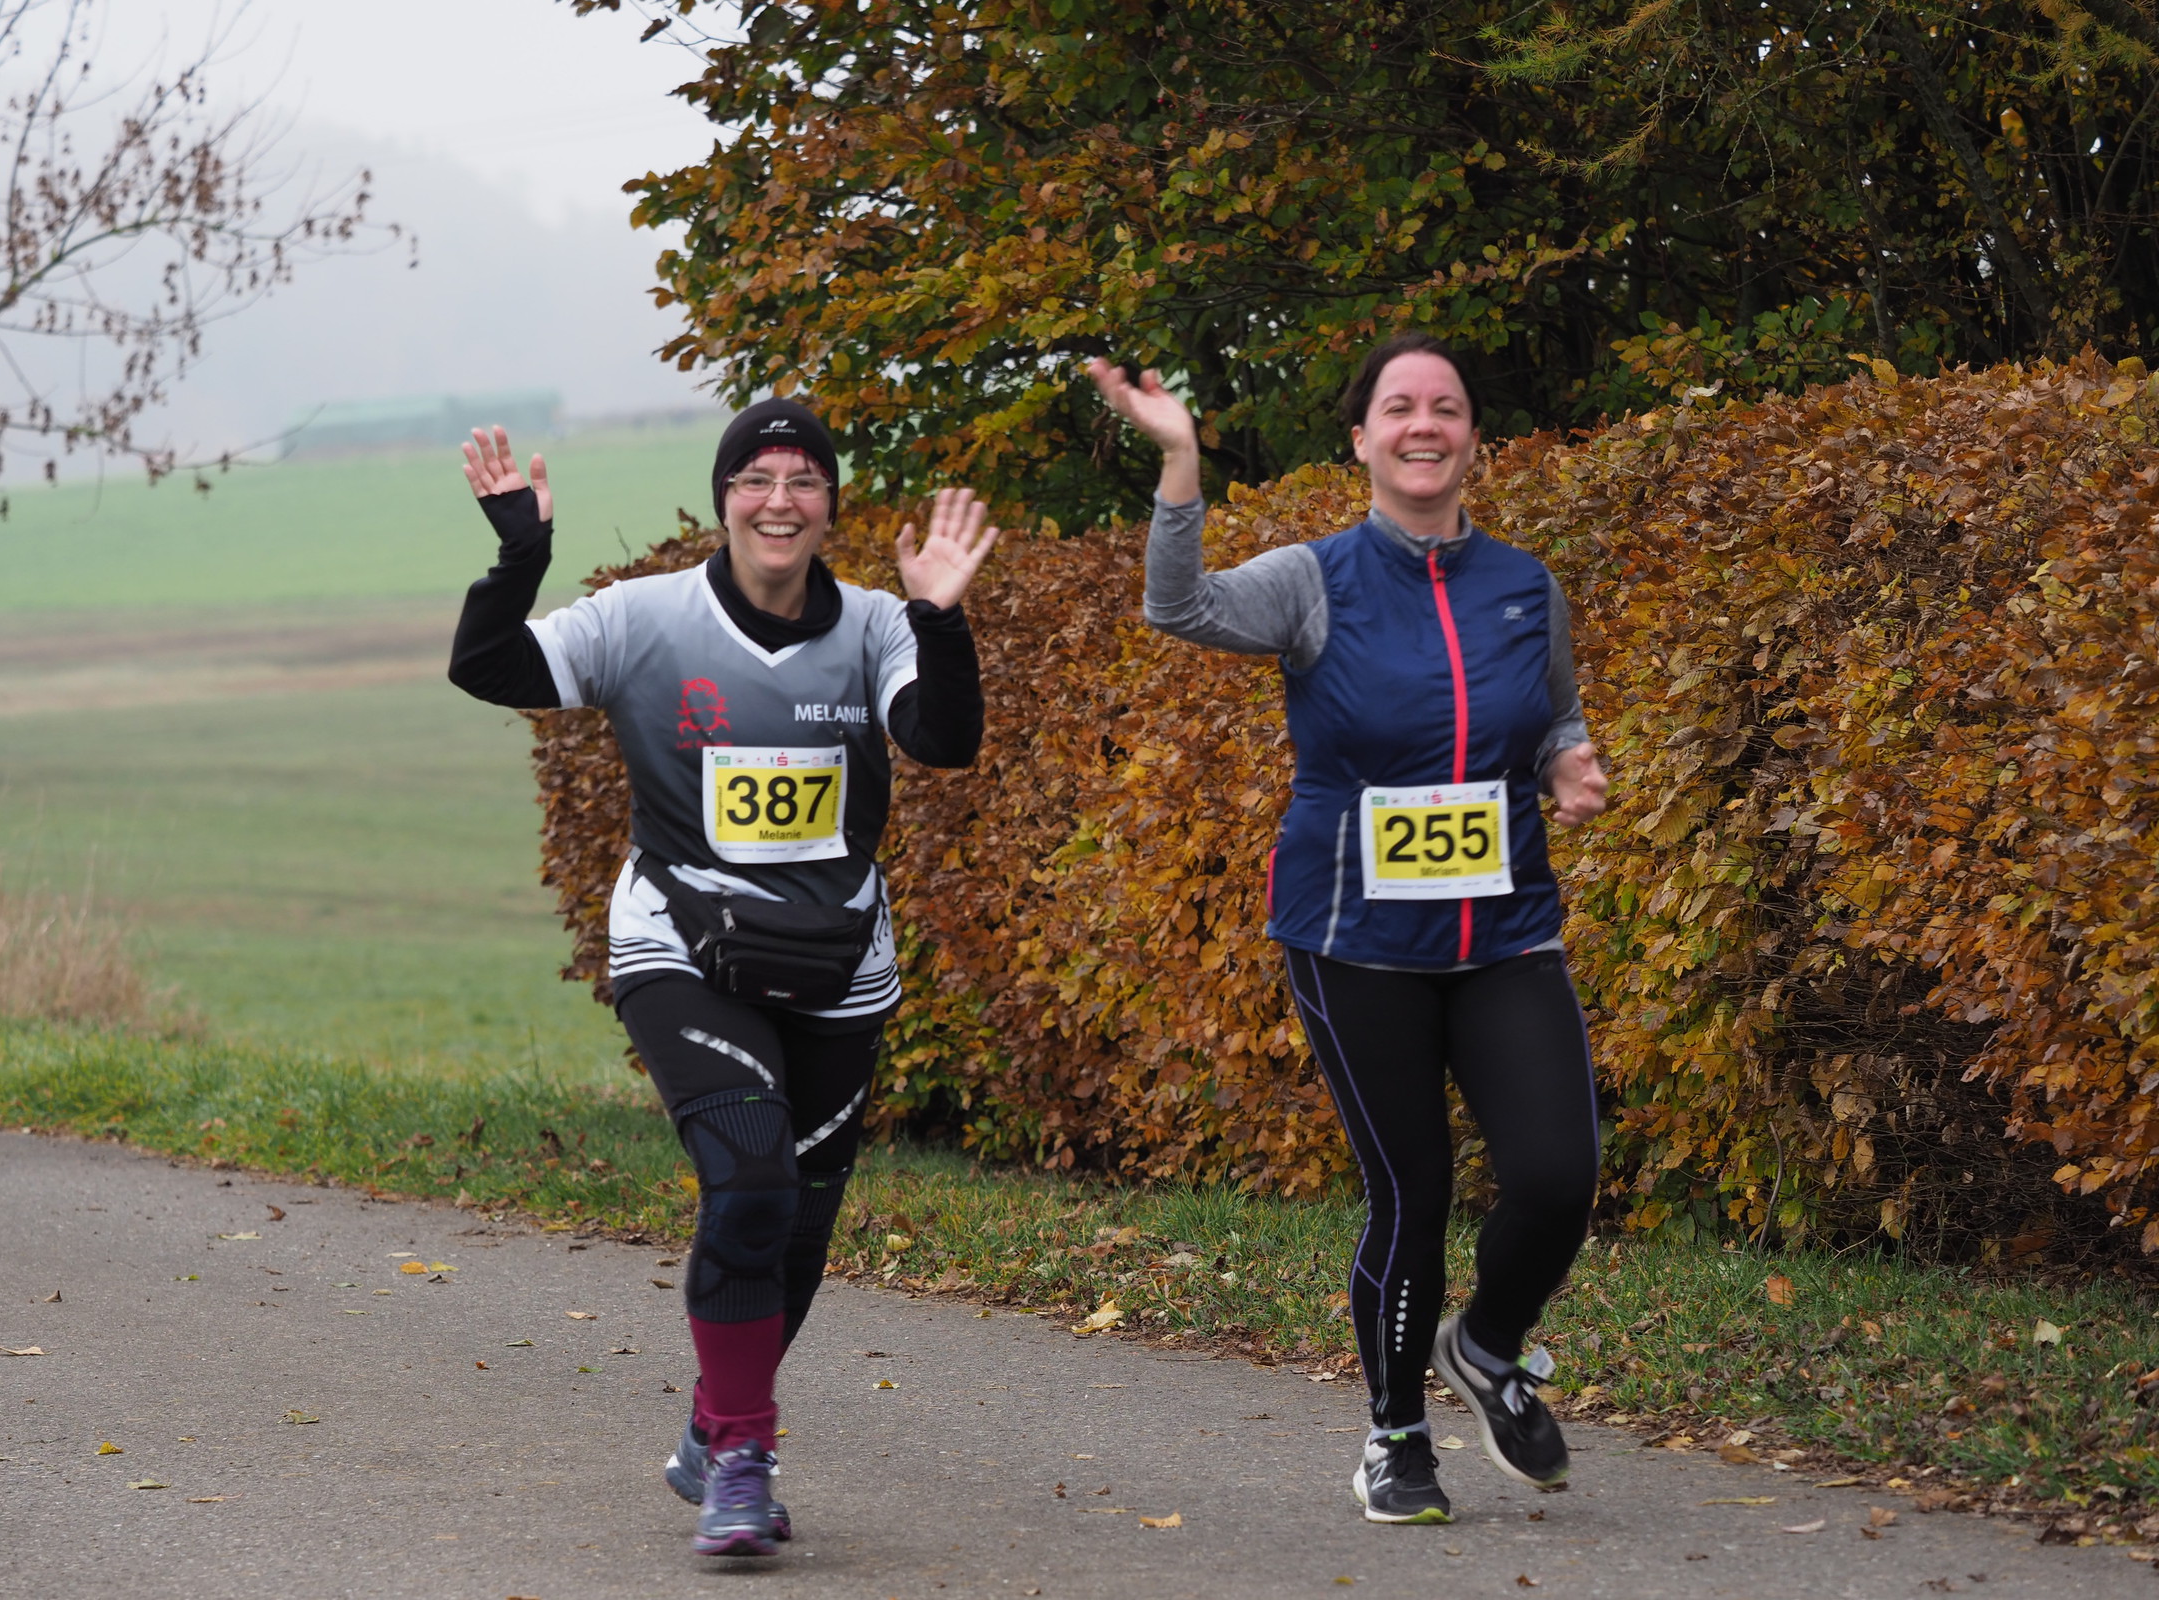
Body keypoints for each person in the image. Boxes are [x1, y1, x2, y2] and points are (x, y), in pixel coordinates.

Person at [445, 398, 997, 1558]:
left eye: (803, 480)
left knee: (795, 1226)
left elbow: (943, 741)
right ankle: (745, 1457)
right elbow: (488, 665)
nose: (779, 501)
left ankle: (713, 1421)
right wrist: (519, 555)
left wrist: (942, 619)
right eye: (756, 478)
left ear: (831, 504)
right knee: (748, 1181)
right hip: (682, 943)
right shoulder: (647, 619)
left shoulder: (880, 625)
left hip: (839, 962)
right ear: (725, 499)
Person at [1090, 334, 1610, 1525]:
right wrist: (1180, 462)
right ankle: (1396, 1435)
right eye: (1400, 407)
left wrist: (1567, 761)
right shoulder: (1314, 579)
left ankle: (1487, 1346)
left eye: (1447, 407)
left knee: (1557, 1174)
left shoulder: (1525, 585)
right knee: (1412, 1192)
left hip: (1505, 933)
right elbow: (1179, 606)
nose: (1425, 425)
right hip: (1355, 941)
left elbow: (1551, 716)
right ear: (1363, 439)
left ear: (1473, 437)